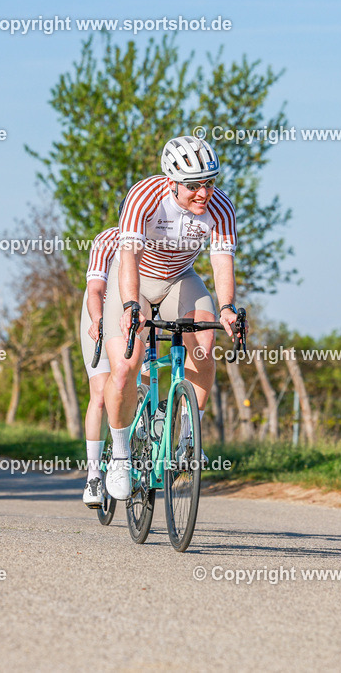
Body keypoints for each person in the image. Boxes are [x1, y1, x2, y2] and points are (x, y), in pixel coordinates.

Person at [101, 135, 239, 500]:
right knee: (126, 367)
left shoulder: (220, 207)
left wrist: (226, 308)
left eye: (209, 182)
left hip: (179, 278)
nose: (203, 193)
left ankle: (189, 440)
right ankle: (119, 454)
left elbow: (221, 260)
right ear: (172, 182)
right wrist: (131, 304)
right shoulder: (144, 196)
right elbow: (127, 254)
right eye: (193, 186)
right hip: (134, 280)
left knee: (204, 348)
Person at [79, 226, 119, 507]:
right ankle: (94, 474)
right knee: (102, 393)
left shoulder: (160, 241)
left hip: (132, 318)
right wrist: (97, 320)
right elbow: (95, 288)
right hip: (100, 311)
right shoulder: (108, 240)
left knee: (136, 385)